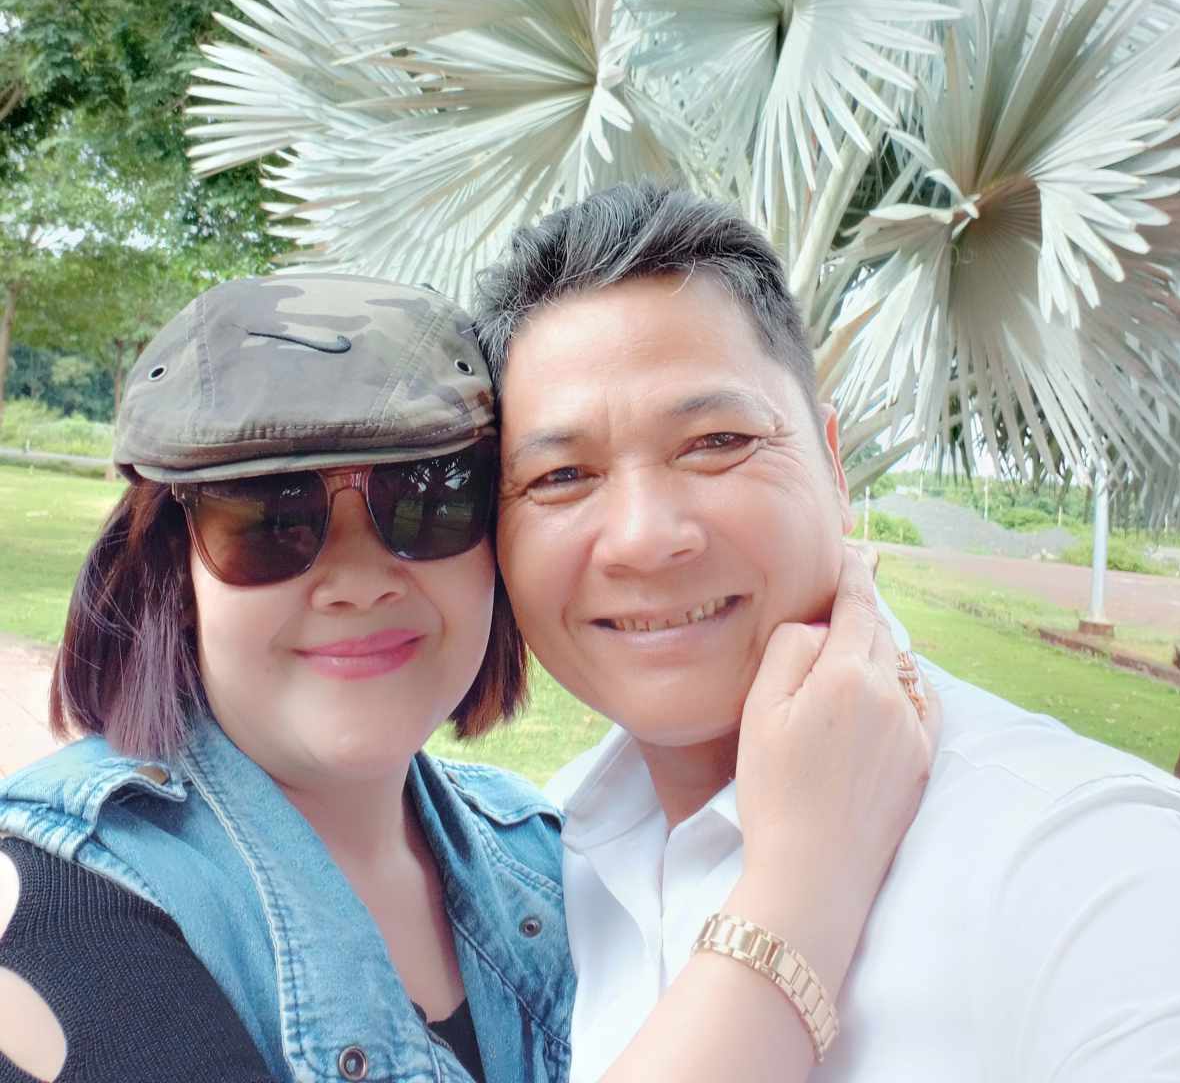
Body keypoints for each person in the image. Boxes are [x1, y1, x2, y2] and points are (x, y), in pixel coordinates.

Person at [0, 271, 933, 1083]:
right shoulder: (61, 899)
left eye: (428, 501)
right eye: (271, 519)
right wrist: (803, 891)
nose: (360, 582)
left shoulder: (549, 854)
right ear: (173, 564)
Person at [477, 180, 1180, 1083]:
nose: (643, 537)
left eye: (716, 442)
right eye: (560, 477)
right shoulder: (533, 872)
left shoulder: (1091, 862)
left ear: (834, 467)